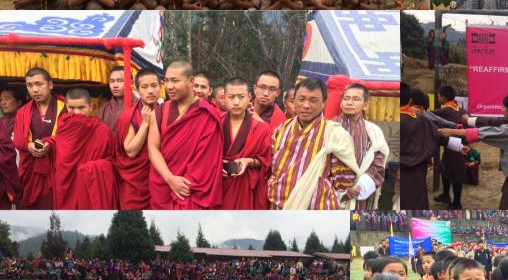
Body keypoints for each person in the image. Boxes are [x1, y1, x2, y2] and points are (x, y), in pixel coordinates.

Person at [266, 77, 357, 209]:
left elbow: (345, 181)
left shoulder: (334, 134)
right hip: (278, 205)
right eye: (301, 99)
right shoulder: (281, 129)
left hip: (317, 208)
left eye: (313, 100)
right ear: (294, 100)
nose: (306, 105)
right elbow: (271, 167)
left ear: (324, 103)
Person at [147, 60, 225, 210]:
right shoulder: (159, 112)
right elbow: (152, 149)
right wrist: (170, 179)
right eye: (167, 81)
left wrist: (182, 185)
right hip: (162, 185)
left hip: (190, 190)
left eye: (175, 81)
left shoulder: (207, 115)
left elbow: (206, 160)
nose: (169, 86)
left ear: (191, 81)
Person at [49, 88, 117, 210]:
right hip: (65, 185)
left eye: (81, 108)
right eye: (71, 108)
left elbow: (112, 161)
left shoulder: (102, 130)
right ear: (66, 107)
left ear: (91, 106)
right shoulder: (63, 128)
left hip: (89, 185)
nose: (76, 113)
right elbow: (60, 154)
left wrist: (92, 168)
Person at [13, 68, 66, 209]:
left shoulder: (65, 108)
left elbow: (71, 138)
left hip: (56, 168)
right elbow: (18, 140)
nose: (34, 90)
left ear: (50, 85)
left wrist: (51, 144)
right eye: (30, 85)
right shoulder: (22, 112)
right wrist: (28, 146)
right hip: (30, 170)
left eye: (39, 84)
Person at [334, 83, 389, 211]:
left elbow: (379, 162)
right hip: (331, 195)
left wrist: (360, 186)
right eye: (346, 98)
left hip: (360, 195)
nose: (349, 102)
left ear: (365, 105)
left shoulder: (374, 131)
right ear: (341, 102)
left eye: (356, 99)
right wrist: (341, 192)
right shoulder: (329, 127)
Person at [220, 77, 272, 209]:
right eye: (231, 97)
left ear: (249, 97)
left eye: (241, 97)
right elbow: (204, 156)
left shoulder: (262, 129)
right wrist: (215, 165)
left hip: (245, 187)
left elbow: (267, 161)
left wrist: (249, 161)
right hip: (219, 185)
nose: (236, 102)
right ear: (224, 98)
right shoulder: (214, 123)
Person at [116, 68, 161, 209]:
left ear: (161, 87)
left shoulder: (166, 111)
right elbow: (130, 151)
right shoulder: (129, 115)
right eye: (144, 87)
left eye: (154, 86)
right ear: (137, 89)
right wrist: (146, 123)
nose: (150, 91)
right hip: (136, 182)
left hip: (161, 176)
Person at [399, 84, 440, 210]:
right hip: (414, 171)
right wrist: (459, 146)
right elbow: (439, 134)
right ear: (410, 101)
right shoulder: (421, 119)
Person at [97, 66, 126, 135]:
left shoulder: (139, 105)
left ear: (131, 83)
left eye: (120, 81)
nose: (115, 85)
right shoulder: (104, 109)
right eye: (112, 81)